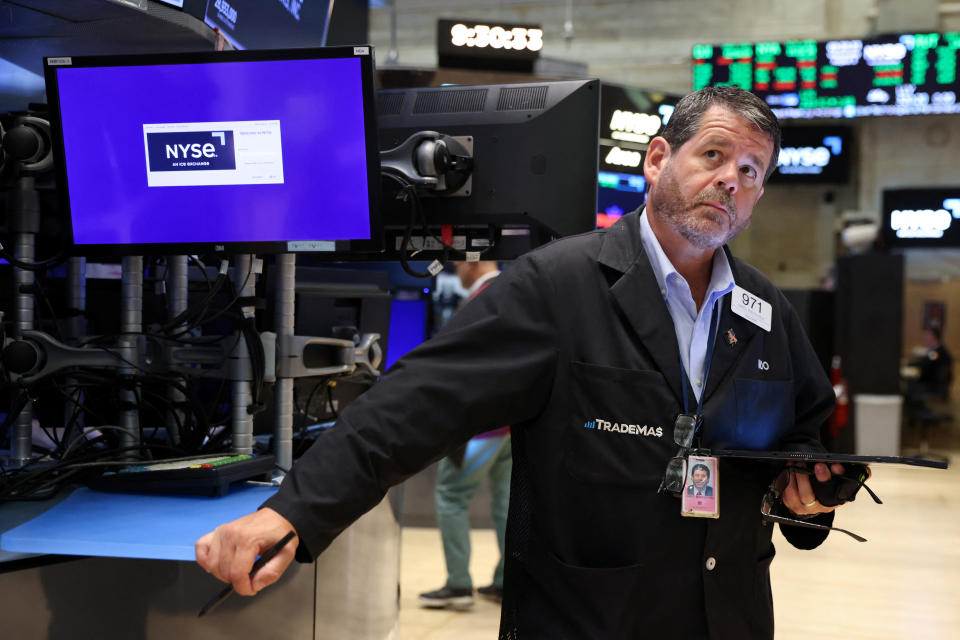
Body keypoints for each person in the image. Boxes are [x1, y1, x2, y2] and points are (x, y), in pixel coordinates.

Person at [196, 86, 855, 639]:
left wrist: (813, 495)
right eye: (714, 154)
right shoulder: (558, 285)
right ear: (658, 159)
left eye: (750, 171)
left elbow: (804, 439)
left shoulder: (763, 310)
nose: (729, 181)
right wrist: (294, 511)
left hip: (728, 619)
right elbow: (418, 403)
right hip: (590, 618)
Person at [418, 261, 512, 610]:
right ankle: (507, 581)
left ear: (473, 262)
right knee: (506, 504)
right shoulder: (513, 290)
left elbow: (466, 368)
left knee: (451, 496)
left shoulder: (482, 299)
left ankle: (458, 583)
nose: (456, 272)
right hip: (511, 422)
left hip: (481, 427)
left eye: (458, 264)